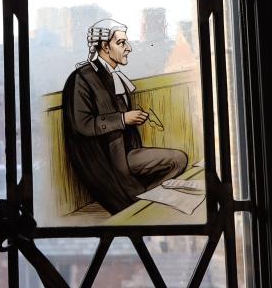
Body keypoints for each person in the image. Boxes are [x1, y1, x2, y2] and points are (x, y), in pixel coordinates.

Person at [61, 19, 187, 214]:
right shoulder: (81, 78)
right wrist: (123, 119)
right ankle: (143, 200)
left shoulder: (114, 75)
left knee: (179, 159)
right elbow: (82, 124)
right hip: (104, 161)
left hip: (126, 153)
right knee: (139, 206)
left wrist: (131, 118)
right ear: (105, 47)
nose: (128, 48)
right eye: (121, 43)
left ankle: (146, 197)